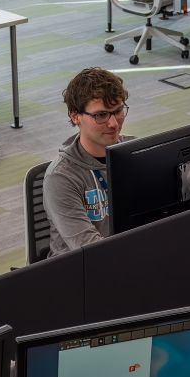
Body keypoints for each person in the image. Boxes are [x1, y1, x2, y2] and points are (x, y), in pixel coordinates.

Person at [44, 68, 132, 256]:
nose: (114, 123)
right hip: (80, 273)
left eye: (118, 111)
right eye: (101, 115)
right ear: (75, 116)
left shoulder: (136, 152)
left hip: (130, 259)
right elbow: (91, 251)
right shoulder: (61, 177)